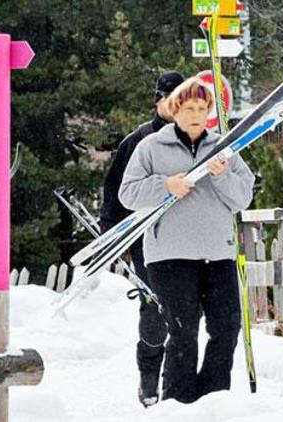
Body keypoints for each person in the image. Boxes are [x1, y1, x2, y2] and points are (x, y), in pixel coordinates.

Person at [119, 77, 255, 403]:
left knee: (226, 329)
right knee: (183, 333)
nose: (196, 114)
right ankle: (178, 405)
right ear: (174, 110)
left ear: (209, 111)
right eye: (188, 108)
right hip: (170, 256)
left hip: (217, 254)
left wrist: (221, 174)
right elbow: (128, 193)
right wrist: (165, 185)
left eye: (202, 108)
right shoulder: (150, 147)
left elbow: (242, 197)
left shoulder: (224, 149)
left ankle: (211, 401)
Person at [99, 70, 185, 407]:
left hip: (186, 239)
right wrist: (110, 233)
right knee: (155, 316)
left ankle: (175, 390)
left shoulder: (194, 138)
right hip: (146, 240)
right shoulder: (137, 142)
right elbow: (114, 191)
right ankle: (149, 385)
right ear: (158, 100)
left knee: (183, 316)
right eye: (171, 98)